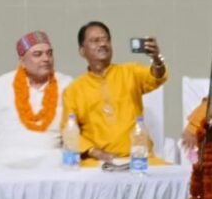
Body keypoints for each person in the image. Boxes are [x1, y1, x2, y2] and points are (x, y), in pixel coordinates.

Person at [62, 21, 168, 165]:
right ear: (82, 51)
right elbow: (67, 130)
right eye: (95, 41)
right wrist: (95, 152)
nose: (102, 44)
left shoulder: (130, 72)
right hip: (98, 162)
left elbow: (156, 77)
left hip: (139, 158)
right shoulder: (74, 90)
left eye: (106, 39)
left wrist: (156, 59)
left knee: (174, 174)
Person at [0, 31, 72, 170]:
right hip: (7, 161)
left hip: (49, 160)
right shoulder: (3, 84)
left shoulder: (66, 84)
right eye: (37, 54)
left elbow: (74, 130)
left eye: (49, 53)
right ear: (22, 61)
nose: (46, 59)